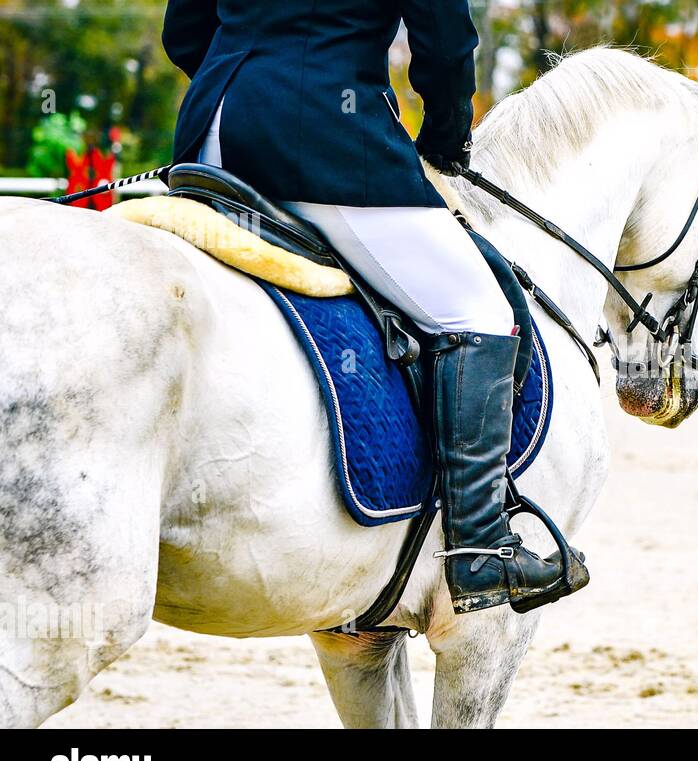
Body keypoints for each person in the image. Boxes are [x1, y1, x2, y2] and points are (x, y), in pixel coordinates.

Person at [162, 0, 585, 615]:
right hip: (323, 136)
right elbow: (443, 44)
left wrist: (251, 79)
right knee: (478, 312)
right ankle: (480, 551)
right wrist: (444, 140)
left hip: (212, 130)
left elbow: (185, 33)